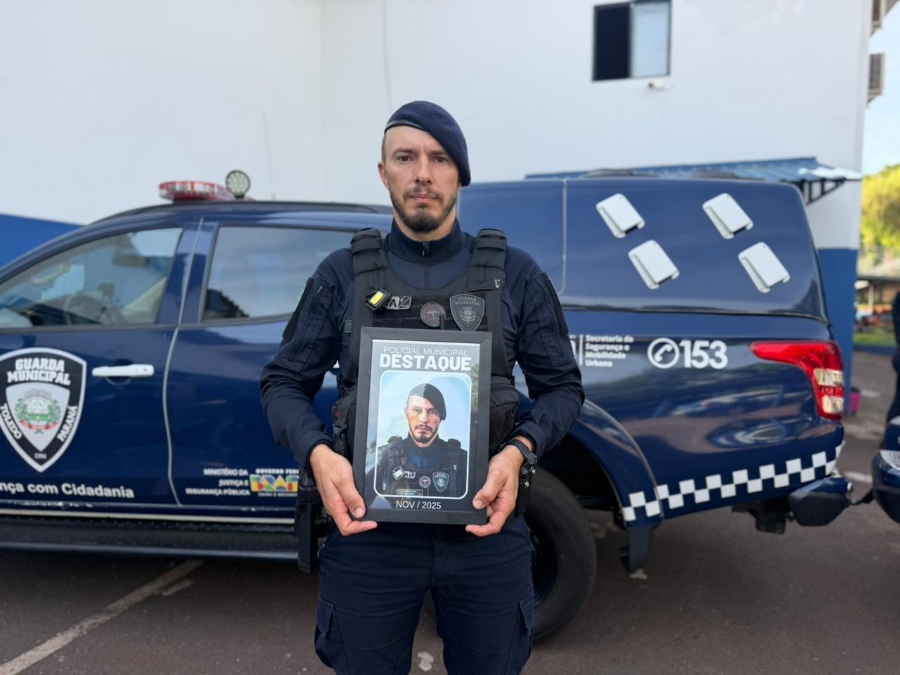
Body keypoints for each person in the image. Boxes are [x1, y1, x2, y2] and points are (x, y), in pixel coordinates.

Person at [261, 100, 584, 675]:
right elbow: (284, 381)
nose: (423, 174)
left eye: (439, 159)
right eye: (405, 158)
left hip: (485, 529)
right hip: (369, 532)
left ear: (460, 174)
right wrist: (317, 455)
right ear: (383, 173)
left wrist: (520, 451)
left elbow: (562, 389)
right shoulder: (341, 276)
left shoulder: (517, 274)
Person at [375, 382, 467, 498]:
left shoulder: (462, 460)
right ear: (406, 412)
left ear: (441, 416)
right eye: (416, 410)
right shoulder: (381, 457)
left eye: (432, 411)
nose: (423, 419)